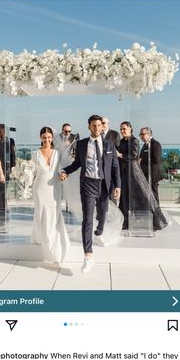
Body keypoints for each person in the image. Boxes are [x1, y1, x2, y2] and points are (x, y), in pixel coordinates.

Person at [60, 115, 121, 273]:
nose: (96, 128)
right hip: (88, 184)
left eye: (99, 125)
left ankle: (99, 231)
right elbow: (77, 164)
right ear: (89, 127)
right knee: (87, 218)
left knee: (102, 213)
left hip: (104, 185)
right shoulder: (81, 144)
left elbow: (114, 166)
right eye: (93, 125)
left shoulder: (109, 144)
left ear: (102, 127)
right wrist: (65, 171)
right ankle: (88, 255)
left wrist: (118, 185)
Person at [117, 121, 168, 232]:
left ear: (131, 129)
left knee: (145, 197)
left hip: (133, 173)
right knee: (124, 198)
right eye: (121, 129)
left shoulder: (134, 141)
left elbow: (133, 155)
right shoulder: (121, 141)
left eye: (124, 129)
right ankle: (125, 222)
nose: (122, 131)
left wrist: (120, 155)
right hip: (124, 173)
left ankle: (157, 221)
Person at [32, 127, 70, 263]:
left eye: (49, 137)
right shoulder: (35, 153)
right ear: (40, 137)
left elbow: (63, 168)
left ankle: (55, 245)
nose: (46, 140)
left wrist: (63, 174)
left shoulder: (57, 153)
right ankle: (40, 238)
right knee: (41, 212)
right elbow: (32, 172)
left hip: (54, 187)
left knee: (54, 213)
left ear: (52, 137)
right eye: (44, 137)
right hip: (39, 187)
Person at [139, 127, 162, 204]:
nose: (141, 136)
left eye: (143, 134)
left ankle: (157, 212)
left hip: (153, 174)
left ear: (149, 134)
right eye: (140, 134)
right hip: (145, 174)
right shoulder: (145, 145)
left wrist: (142, 161)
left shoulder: (155, 144)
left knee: (154, 194)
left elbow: (156, 159)